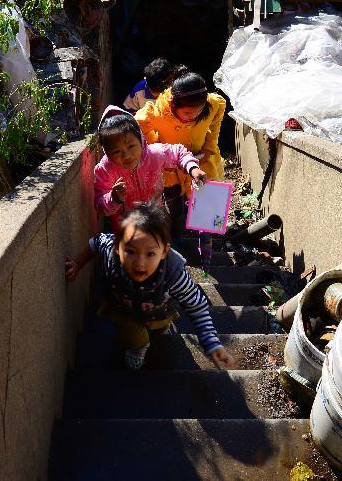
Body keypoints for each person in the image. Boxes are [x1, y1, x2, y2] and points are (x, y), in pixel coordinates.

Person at [64, 203, 237, 370]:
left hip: (159, 308)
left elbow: (196, 304)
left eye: (150, 254)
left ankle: (161, 329)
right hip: (124, 309)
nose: (140, 263)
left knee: (161, 326)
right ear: (117, 247)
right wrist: (78, 264)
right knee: (133, 337)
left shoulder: (173, 274)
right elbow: (97, 242)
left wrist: (210, 341)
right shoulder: (110, 253)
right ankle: (138, 347)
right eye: (130, 251)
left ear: (164, 252)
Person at [135, 71, 226, 264]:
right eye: (187, 113)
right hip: (172, 169)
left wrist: (210, 145)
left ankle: (206, 252)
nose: (193, 117)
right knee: (173, 205)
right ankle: (176, 247)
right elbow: (137, 125)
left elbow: (220, 109)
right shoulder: (158, 112)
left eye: (198, 112)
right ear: (174, 104)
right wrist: (158, 151)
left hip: (201, 162)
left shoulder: (213, 103)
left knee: (209, 209)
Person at [94, 106, 206, 228]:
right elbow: (101, 207)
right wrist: (114, 198)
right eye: (116, 152)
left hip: (156, 219)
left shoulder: (153, 155)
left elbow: (178, 152)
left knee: (159, 244)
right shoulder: (106, 169)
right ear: (107, 151)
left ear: (141, 139)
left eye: (131, 146)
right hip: (126, 229)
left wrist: (193, 168)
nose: (126, 156)